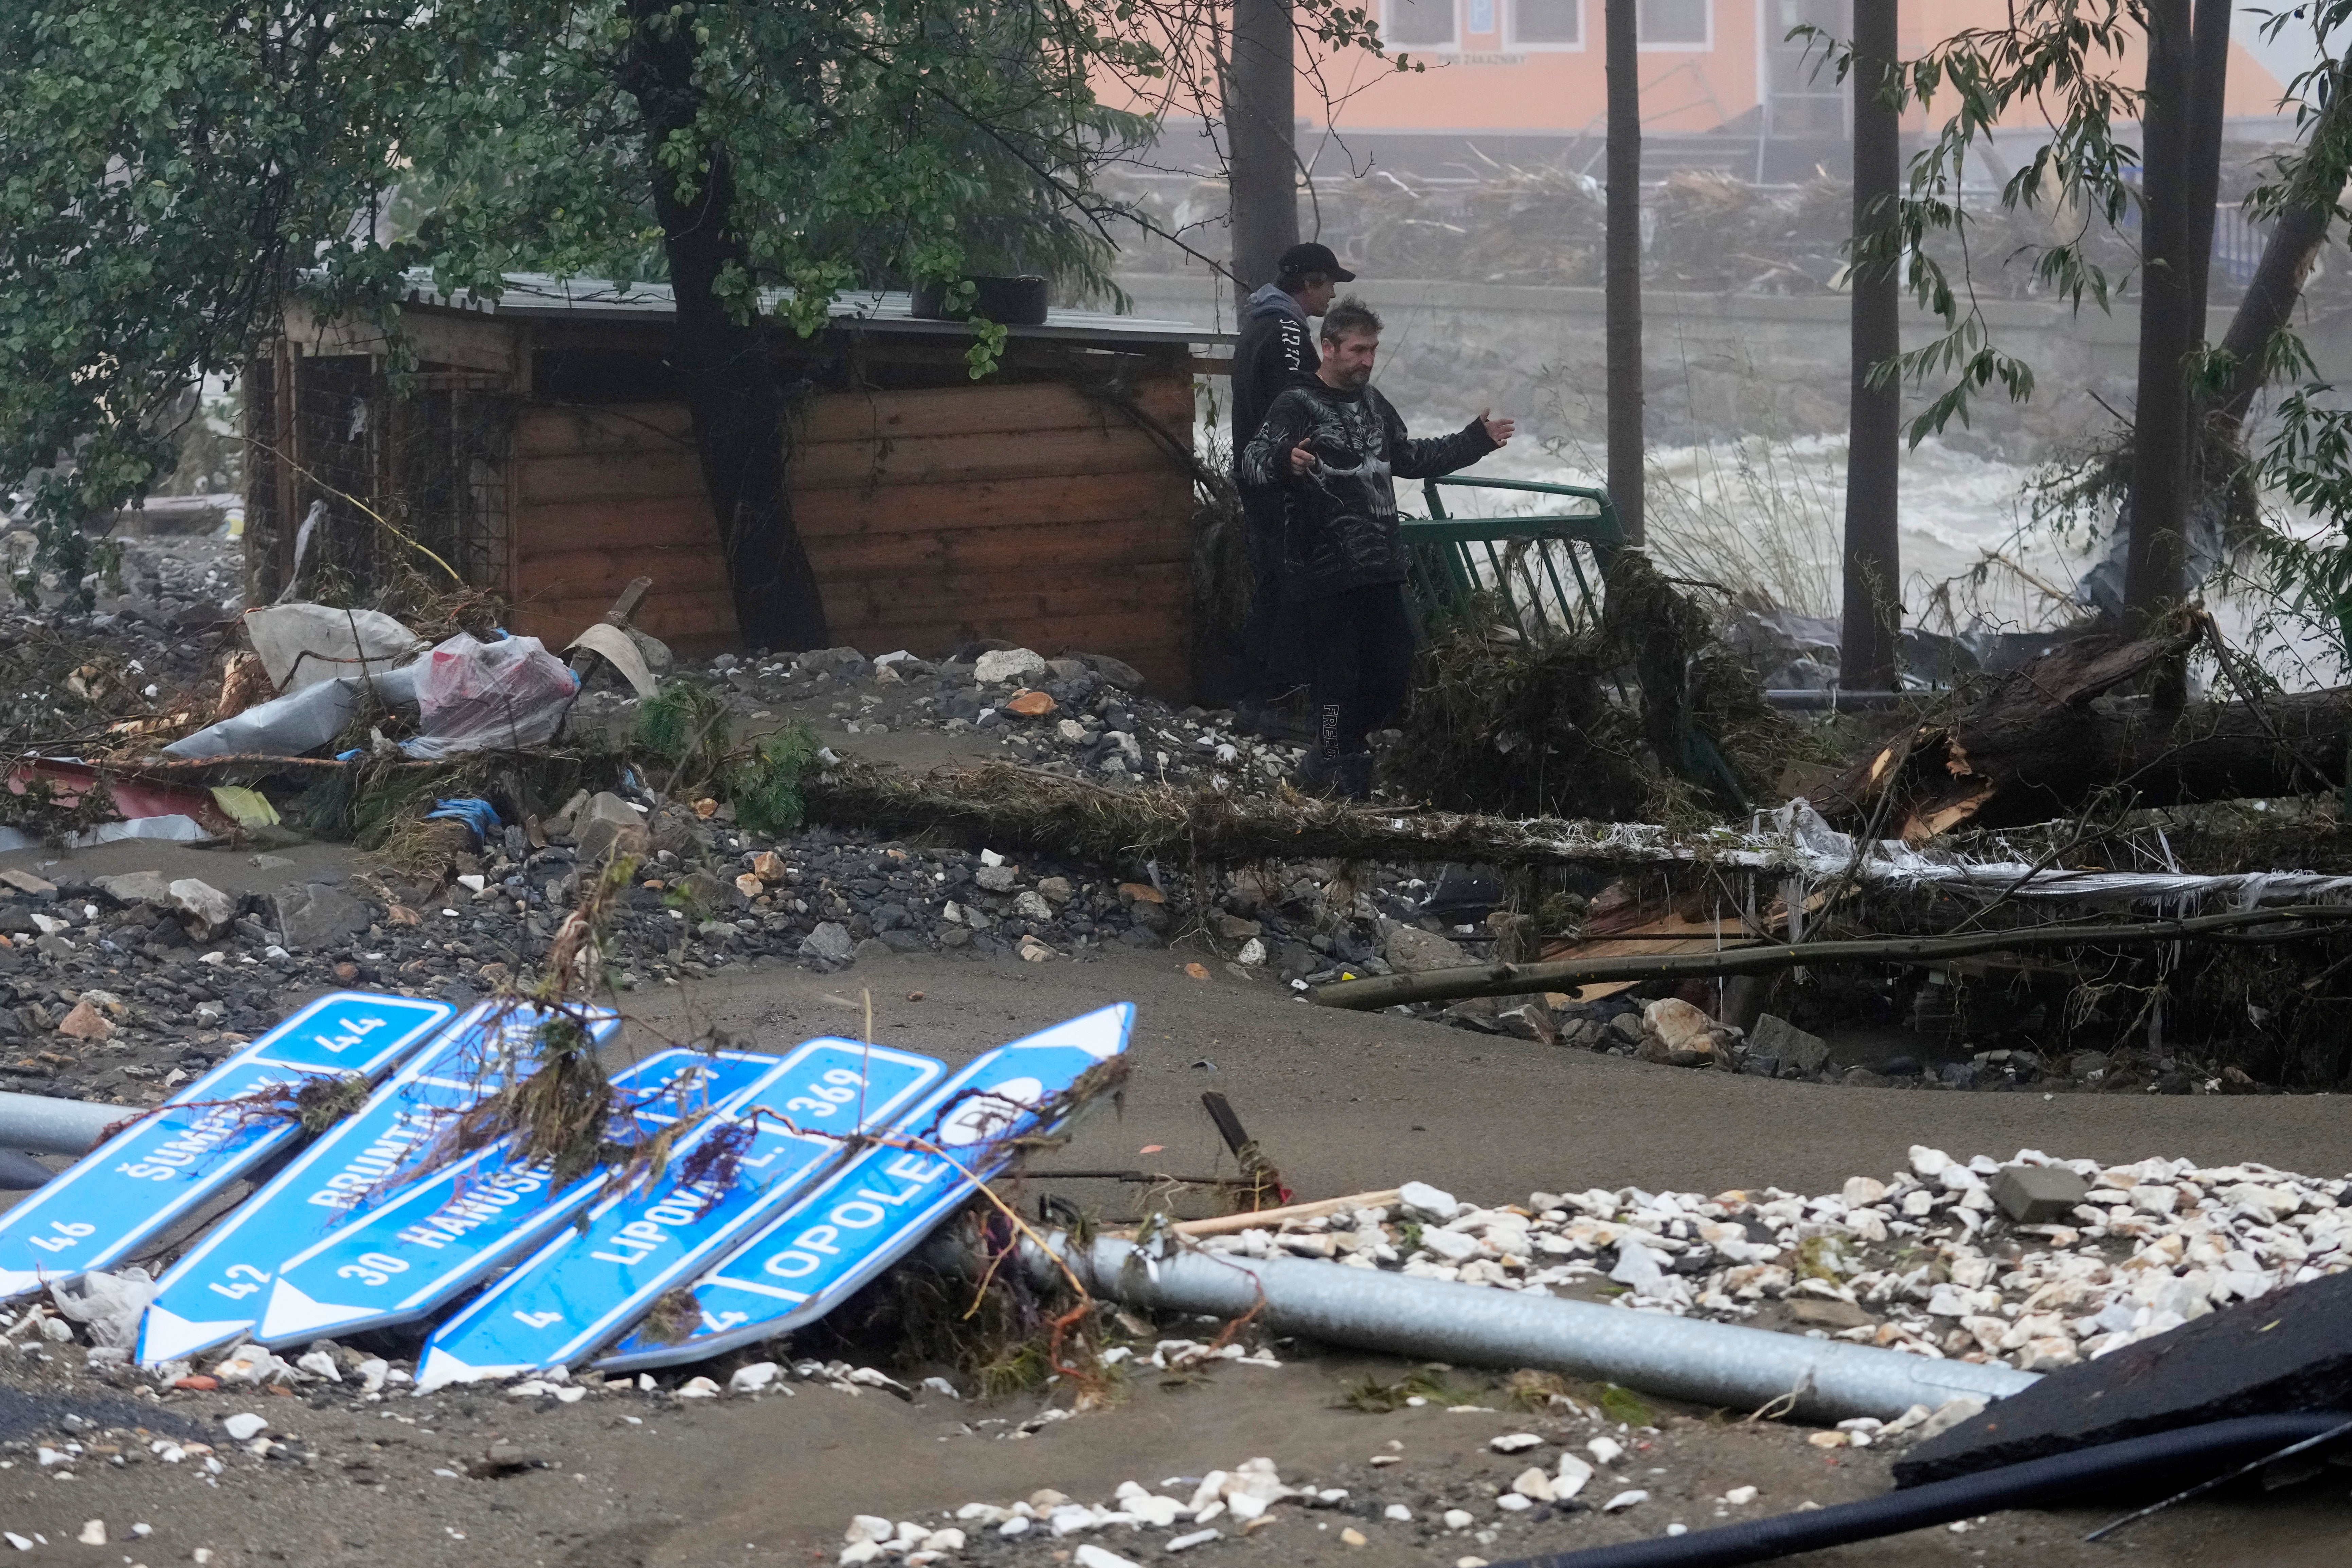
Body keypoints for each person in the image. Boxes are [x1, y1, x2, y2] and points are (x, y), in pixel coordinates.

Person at [1240, 295, 1515, 798]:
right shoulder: (1295, 404)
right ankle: (1330, 759)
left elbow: (1410, 457)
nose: (1367, 361)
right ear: (1327, 348)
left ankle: (1341, 747)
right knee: (1333, 682)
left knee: (1393, 672)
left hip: (1380, 566)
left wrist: (1476, 440)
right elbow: (1251, 461)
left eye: (1372, 350)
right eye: (1357, 350)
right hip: (1323, 569)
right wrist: (1286, 459)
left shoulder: (1373, 403)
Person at [1230, 242, 1354, 737]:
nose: (1332, 295)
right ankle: (1276, 706)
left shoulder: (1259, 321)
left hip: (1256, 475)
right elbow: (1293, 405)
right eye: (1330, 285)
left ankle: (1252, 701)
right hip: (1280, 480)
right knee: (1291, 591)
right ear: (1310, 283)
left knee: (1270, 589)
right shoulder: (1285, 330)